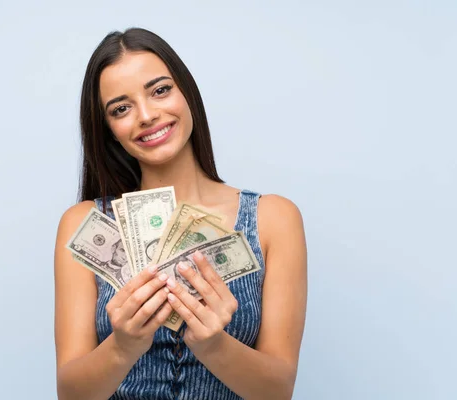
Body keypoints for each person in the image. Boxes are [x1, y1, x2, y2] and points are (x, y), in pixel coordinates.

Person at [54, 27, 307, 400]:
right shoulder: (82, 224)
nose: (146, 115)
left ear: (187, 93)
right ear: (108, 129)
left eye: (160, 90)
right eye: (121, 108)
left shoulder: (273, 219)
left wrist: (214, 346)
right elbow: (71, 394)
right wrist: (123, 346)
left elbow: (278, 390)